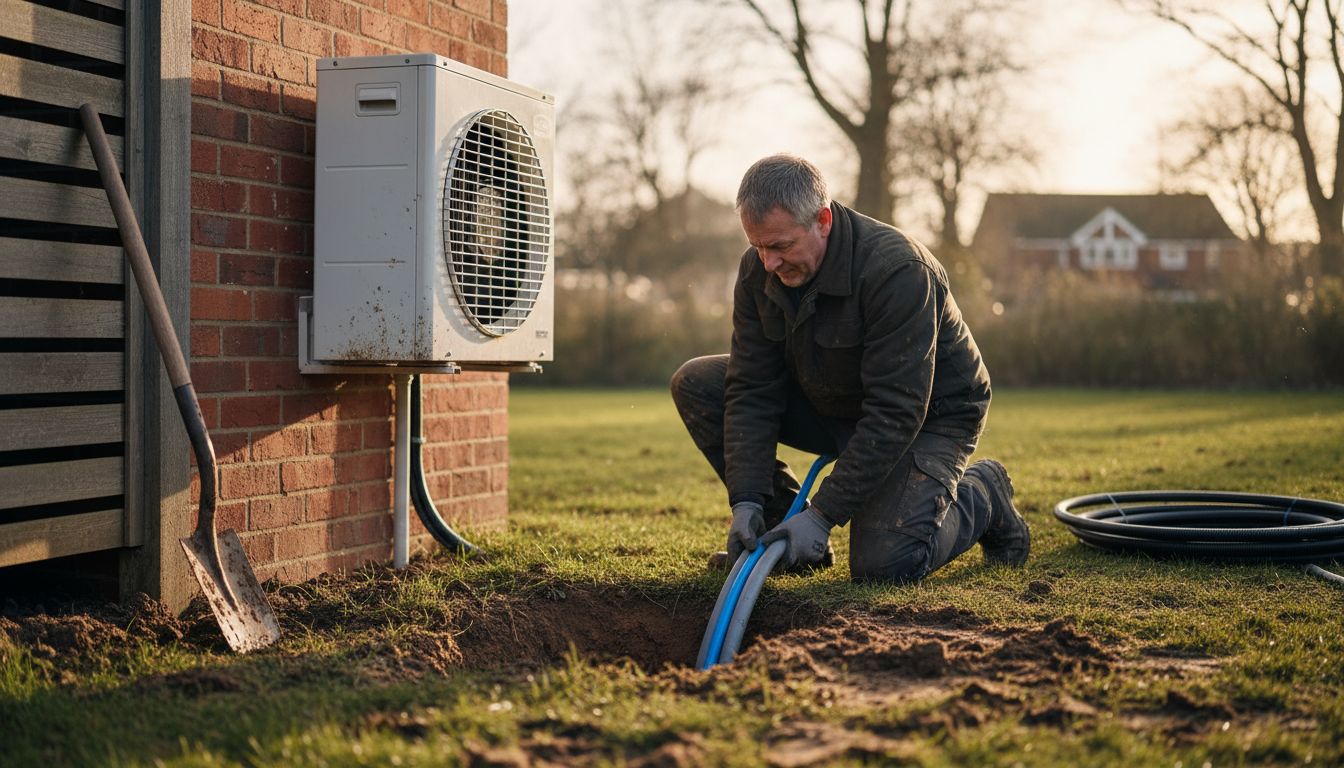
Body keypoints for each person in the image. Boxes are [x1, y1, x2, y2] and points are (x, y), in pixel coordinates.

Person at [670, 154, 1029, 582]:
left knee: (884, 565)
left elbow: (897, 410)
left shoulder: (897, 270)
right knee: (697, 383)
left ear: (822, 220)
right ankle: (780, 534)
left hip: (931, 416)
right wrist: (746, 500)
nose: (768, 263)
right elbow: (751, 387)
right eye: (758, 246)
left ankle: (984, 493)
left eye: (781, 246)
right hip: (832, 398)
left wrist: (823, 516)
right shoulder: (759, 272)